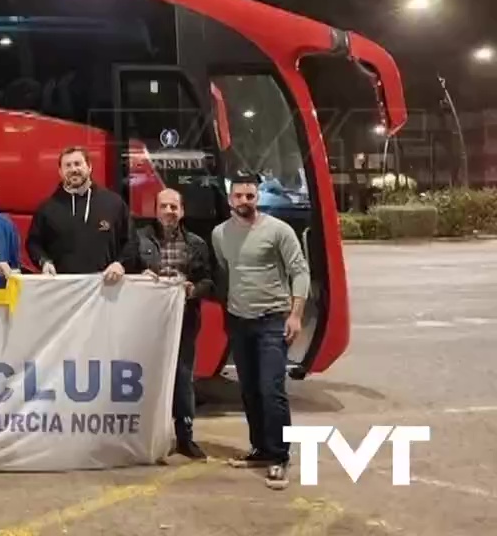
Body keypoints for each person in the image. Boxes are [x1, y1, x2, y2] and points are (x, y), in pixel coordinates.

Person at [212, 172, 310, 491]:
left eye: (250, 196)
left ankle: (279, 457)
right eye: (239, 196)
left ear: (258, 197)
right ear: (230, 200)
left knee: (272, 390)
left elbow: (299, 271)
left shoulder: (279, 231)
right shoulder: (219, 234)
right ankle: (260, 449)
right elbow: (227, 273)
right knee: (250, 390)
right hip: (240, 322)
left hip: (272, 320)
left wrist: (295, 316)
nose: (244, 201)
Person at [137, 188, 215, 460]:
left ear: (182, 211)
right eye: (164, 206)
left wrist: (194, 289)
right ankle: (149, 437)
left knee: (183, 377)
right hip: (148, 322)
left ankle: (185, 437)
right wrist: (140, 274)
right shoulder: (139, 240)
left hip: (185, 319)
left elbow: (209, 280)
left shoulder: (196, 244)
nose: (169, 211)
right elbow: (128, 270)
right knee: (148, 377)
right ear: (155, 210)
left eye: (174, 207)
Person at [27, 146, 136, 283]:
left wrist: (120, 264)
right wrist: (44, 262)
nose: (73, 170)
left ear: (89, 167)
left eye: (78, 164)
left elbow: (131, 241)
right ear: (60, 172)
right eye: (68, 166)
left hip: (106, 289)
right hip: (62, 289)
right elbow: (33, 244)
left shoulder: (114, 203)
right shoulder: (47, 208)